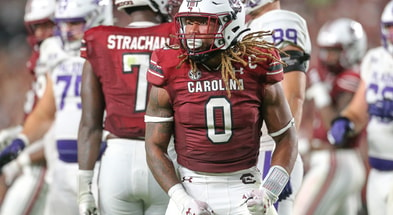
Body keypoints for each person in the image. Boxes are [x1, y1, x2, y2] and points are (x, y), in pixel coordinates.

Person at [144, 0, 298, 214]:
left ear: (230, 24)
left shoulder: (255, 64)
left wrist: (270, 190)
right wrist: (181, 199)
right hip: (191, 188)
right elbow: (154, 146)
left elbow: (286, 137)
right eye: (188, 22)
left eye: (202, 23)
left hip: (245, 187)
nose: (191, 32)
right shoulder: (171, 65)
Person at [0, 0, 112, 214]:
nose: (66, 31)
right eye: (63, 24)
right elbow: (46, 112)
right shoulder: (54, 52)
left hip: (99, 165)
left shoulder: (110, 50)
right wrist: (21, 141)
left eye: (74, 23)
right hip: (61, 167)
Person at [77, 0, 175, 214]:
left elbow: (89, 125)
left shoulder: (99, 39)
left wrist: (84, 188)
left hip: (117, 162)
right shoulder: (176, 36)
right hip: (166, 156)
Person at [293, 18, 368, 215]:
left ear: (350, 49)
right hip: (338, 162)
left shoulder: (352, 77)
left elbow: (337, 131)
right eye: (325, 50)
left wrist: (322, 96)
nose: (327, 56)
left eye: (334, 50)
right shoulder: (334, 77)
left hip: (336, 161)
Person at [243, 0, 311, 214]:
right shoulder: (252, 25)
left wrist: (281, 159)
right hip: (257, 152)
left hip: (270, 151)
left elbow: (293, 94)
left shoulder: (278, 22)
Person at [328, 2, 393, 215]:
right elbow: (359, 109)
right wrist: (345, 121)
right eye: (389, 26)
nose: (391, 33)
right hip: (377, 172)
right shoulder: (374, 60)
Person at [0, 0, 56, 213]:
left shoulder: (68, 60)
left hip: (46, 165)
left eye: (47, 25)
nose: (41, 33)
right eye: (37, 27)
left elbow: (59, 123)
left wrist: (22, 158)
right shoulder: (45, 58)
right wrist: (17, 134)